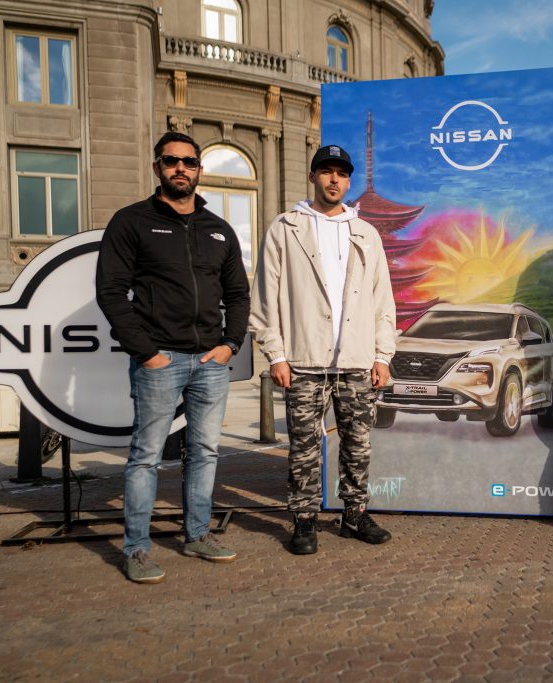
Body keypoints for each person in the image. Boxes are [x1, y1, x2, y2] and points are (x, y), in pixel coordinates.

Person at [96, 131, 250, 584]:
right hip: (159, 359)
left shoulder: (218, 229)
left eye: (189, 161)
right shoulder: (132, 221)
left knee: (203, 451)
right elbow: (110, 292)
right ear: (157, 168)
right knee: (145, 456)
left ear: (200, 169)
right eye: (171, 161)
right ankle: (137, 550)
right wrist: (145, 352)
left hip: (210, 362)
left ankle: (198, 534)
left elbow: (238, 294)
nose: (180, 168)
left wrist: (230, 344)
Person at [249, 144, 396, 555]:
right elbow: (266, 296)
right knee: (303, 446)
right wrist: (276, 354)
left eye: (341, 173)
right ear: (312, 176)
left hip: (356, 361)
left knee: (358, 443)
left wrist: (382, 356)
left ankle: (354, 515)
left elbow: (383, 300)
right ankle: (305, 519)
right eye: (327, 172)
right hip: (303, 360)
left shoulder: (365, 233)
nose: (334, 180)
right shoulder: (285, 227)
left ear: (349, 181)